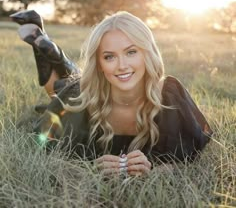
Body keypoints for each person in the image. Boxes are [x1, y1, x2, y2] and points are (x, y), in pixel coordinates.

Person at [10, 10, 213, 176]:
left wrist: (153, 170)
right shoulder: (81, 98)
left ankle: (49, 48)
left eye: (131, 52)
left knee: (65, 84)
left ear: (147, 54)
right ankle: (47, 47)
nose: (122, 65)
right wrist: (88, 170)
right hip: (87, 90)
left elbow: (189, 162)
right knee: (59, 91)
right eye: (109, 57)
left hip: (93, 85)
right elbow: (47, 146)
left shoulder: (170, 96)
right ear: (99, 63)